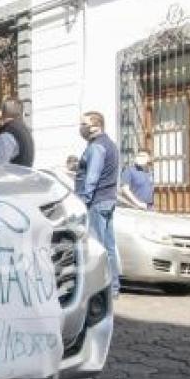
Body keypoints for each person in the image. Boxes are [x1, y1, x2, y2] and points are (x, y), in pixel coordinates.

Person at [75, 111, 120, 297]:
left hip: (97, 201)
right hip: (108, 199)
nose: (81, 128)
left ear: (96, 126)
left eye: (84, 124)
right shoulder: (110, 144)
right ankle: (113, 288)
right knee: (109, 247)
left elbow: (91, 177)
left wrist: (82, 202)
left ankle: (101, 291)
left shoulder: (97, 147)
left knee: (97, 248)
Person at [0, 97, 35, 167]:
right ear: (21, 113)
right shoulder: (24, 132)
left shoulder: (7, 136)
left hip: (10, 177)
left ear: (2, 113)